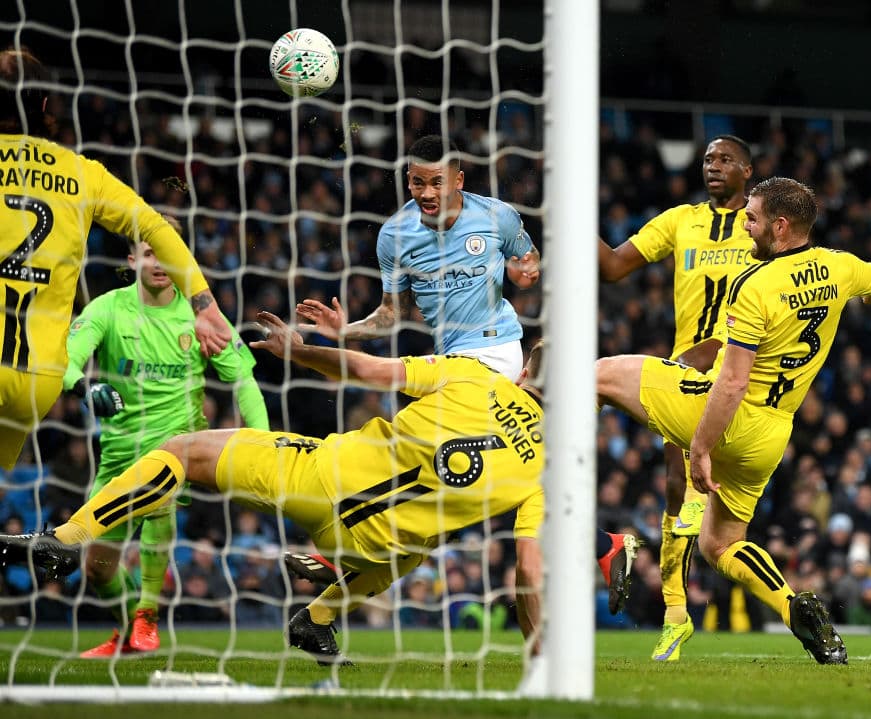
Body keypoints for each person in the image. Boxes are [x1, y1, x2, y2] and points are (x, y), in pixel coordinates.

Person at [0, 318, 550, 663]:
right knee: (424, 542)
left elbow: (367, 370)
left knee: (183, 452)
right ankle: (318, 619)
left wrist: (299, 352)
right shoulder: (548, 471)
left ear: (524, 370)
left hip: (322, 477)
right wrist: (538, 653)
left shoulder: (477, 376)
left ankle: (67, 539)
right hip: (372, 549)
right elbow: (528, 570)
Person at [596, 177, 871, 664]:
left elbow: (733, 382)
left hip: (726, 414)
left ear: (780, 227)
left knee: (597, 377)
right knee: (721, 545)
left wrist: (700, 448)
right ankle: (792, 606)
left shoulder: (756, 285)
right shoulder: (840, 266)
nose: (746, 225)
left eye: (753, 218)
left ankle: (586, 532)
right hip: (772, 434)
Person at [0, 48, 232, 471]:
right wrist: (204, 304)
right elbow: (157, 228)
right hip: (37, 380)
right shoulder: (82, 173)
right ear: (46, 104)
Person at [63, 229, 269, 657]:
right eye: (149, 253)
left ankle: (148, 613)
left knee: (161, 491)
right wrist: (85, 388)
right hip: (118, 454)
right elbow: (66, 361)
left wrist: (262, 443)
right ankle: (128, 632)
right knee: (97, 569)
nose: (159, 263)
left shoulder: (202, 318)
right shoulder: (108, 308)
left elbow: (245, 382)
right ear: (132, 260)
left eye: (167, 254)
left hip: (176, 448)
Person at [597, 134, 756, 660]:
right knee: (673, 488)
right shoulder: (680, 221)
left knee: (701, 496)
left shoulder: (759, 225)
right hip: (685, 365)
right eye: (708, 159)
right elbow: (613, 266)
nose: (713, 166)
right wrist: (569, 218)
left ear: (747, 171)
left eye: (725, 159)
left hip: (739, 364)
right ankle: (675, 615)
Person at [294, 134, 540, 381]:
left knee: (384, 376)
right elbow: (392, 312)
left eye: (437, 183)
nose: (427, 193)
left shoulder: (496, 215)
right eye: (418, 183)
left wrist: (526, 274)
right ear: (409, 180)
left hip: (497, 347)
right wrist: (347, 330)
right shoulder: (394, 235)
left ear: (459, 180)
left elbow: (530, 259)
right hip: (448, 356)